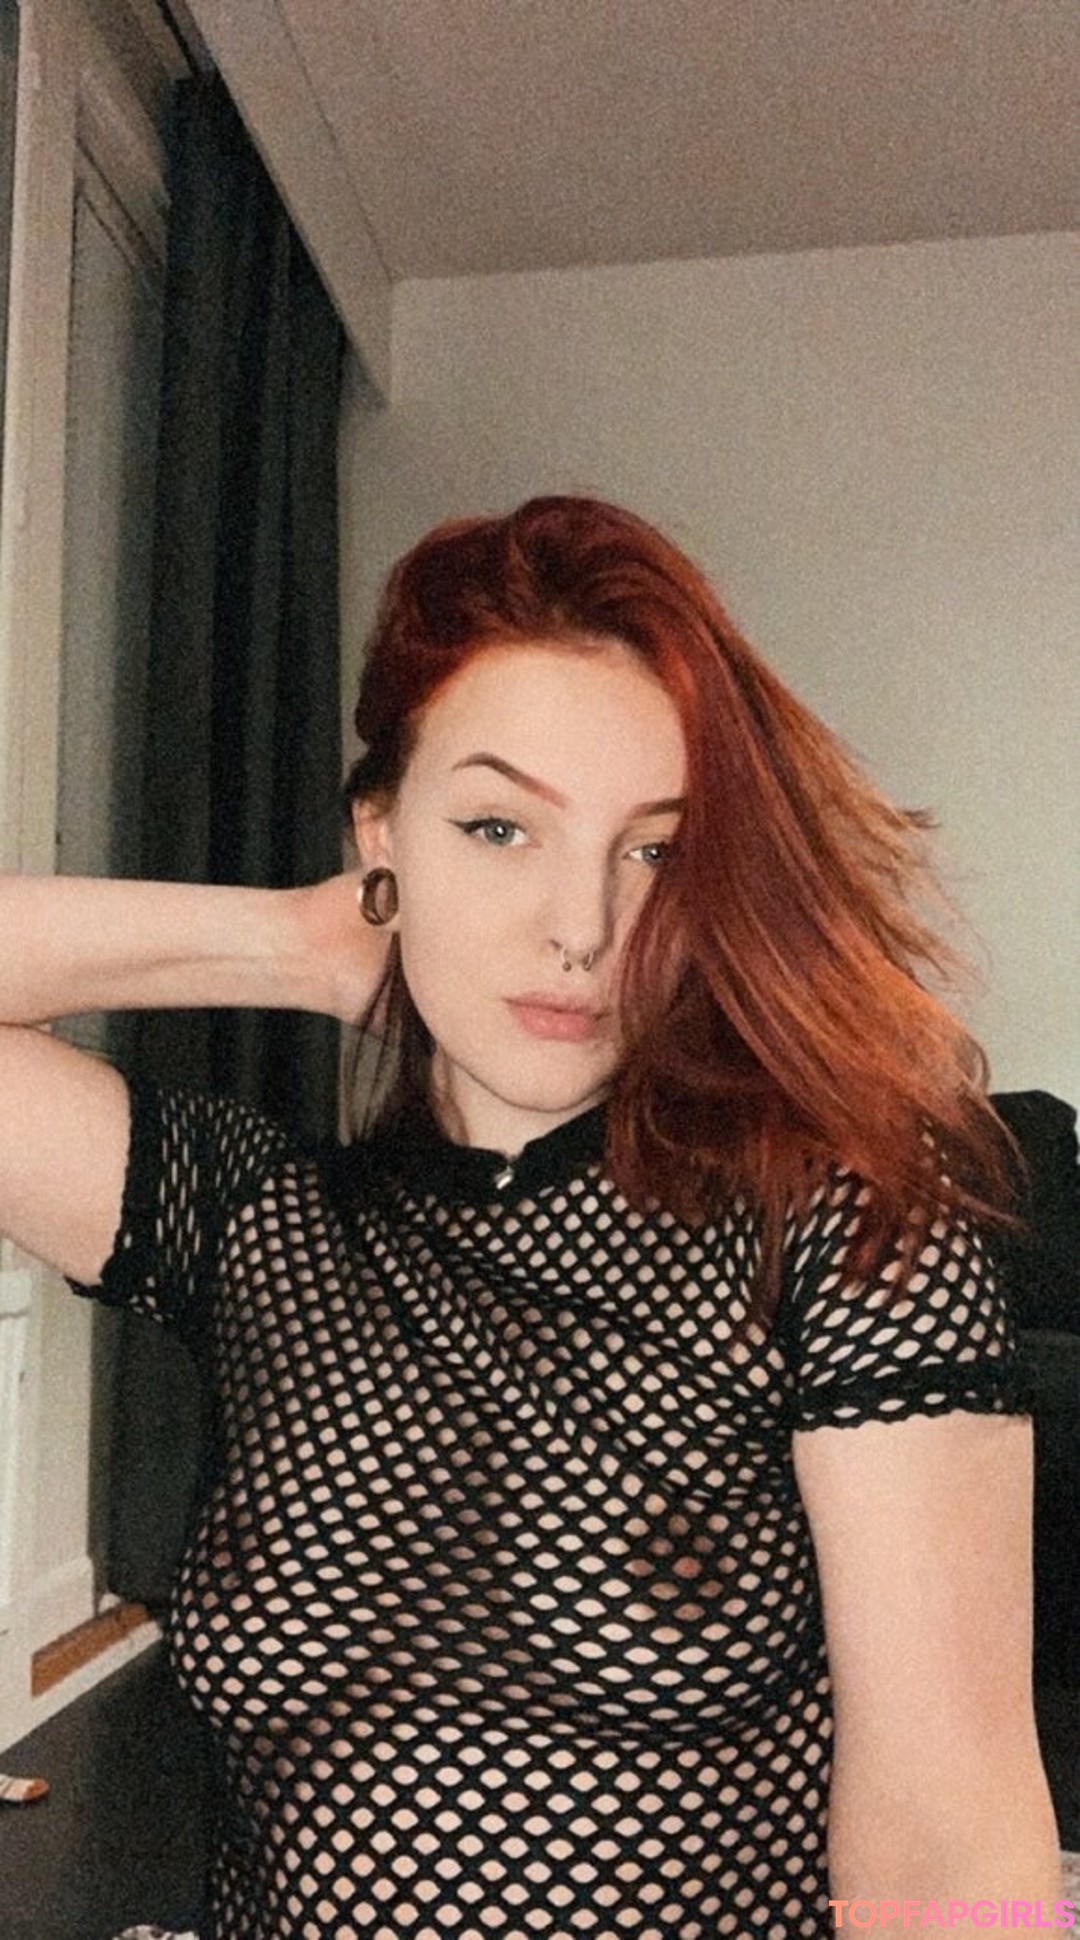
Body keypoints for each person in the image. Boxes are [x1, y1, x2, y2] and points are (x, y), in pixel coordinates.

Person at [0, 496, 1062, 1939]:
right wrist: (296, 941)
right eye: (497, 827)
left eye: (655, 850)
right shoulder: (256, 1225)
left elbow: (949, 1836)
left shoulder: (842, 1232)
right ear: (381, 832)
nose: (583, 927)